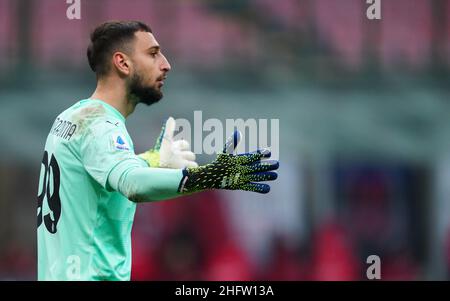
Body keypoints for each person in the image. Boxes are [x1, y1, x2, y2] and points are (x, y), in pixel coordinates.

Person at [37, 20, 279, 281]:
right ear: (123, 63)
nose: (166, 64)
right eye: (153, 54)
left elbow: (101, 173)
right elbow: (132, 184)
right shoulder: (101, 127)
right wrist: (211, 176)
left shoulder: (72, 118)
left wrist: (151, 160)